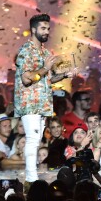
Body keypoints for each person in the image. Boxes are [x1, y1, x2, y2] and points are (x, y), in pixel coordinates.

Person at [15, 13, 76, 185]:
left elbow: (48, 78)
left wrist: (64, 74)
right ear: (33, 29)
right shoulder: (26, 51)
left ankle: (32, 176)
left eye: (48, 28)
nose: (47, 31)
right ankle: (31, 178)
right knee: (33, 139)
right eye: (43, 28)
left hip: (42, 104)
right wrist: (45, 68)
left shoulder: (45, 52)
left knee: (37, 139)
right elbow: (27, 78)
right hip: (29, 103)